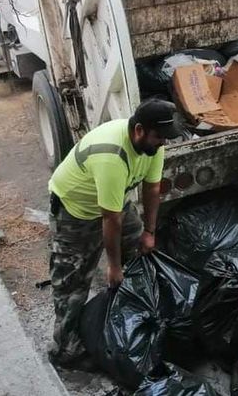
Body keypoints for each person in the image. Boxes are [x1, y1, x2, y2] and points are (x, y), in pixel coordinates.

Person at [46, 99, 182, 368]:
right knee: (72, 282)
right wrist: (113, 267)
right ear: (139, 130)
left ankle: (131, 316)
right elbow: (110, 219)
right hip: (76, 210)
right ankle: (65, 348)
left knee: (139, 250)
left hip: (114, 201)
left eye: (165, 138)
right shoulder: (112, 154)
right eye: (159, 137)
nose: (163, 143)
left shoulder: (153, 147)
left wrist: (149, 233)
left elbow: (152, 189)